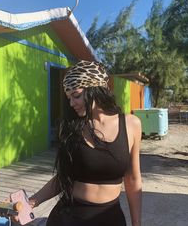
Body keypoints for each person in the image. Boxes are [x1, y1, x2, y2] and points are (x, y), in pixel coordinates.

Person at [20, 60, 142, 226]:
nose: (71, 103)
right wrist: (31, 202)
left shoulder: (131, 124)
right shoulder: (73, 129)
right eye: (69, 98)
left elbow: (133, 179)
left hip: (110, 218)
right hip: (69, 218)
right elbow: (63, 178)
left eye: (76, 95)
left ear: (95, 89)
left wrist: (137, 223)